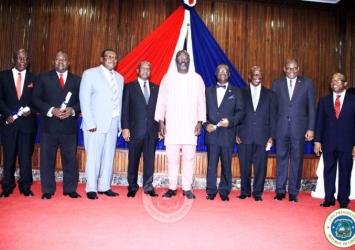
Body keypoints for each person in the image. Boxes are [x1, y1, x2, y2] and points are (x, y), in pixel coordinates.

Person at [155, 50, 206, 199]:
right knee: (172, 159)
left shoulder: (197, 79)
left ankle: (186, 187)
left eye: (186, 58)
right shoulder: (168, 78)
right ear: (176, 61)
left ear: (189, 60)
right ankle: (171, 187)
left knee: (189, 158)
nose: (183, 60)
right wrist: (161, 121)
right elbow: (161, 101)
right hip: (172, 125)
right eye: (180, 58)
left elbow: (201, 102)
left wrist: (200, 121)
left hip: (190, 126)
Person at [32, 51, 81, 200]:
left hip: (69, 127)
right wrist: (51, 110)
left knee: (70, 159)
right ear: (54, 62)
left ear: (69, 62)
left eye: (64, 59)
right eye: (58, 59)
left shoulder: (77, 80)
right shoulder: (43, 78)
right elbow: (35, 98)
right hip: (49, 127)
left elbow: (83, 101)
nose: (61, 62)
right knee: (47, 159)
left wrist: (73, 110)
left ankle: (70, 189)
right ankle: (48, 190)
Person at [79, 49, 124, 200]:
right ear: (101, 59)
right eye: (109, 56)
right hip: (95, 124)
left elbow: (120, 102)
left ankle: (104, 186)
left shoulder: (119, 78)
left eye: (114, 57)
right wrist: (89, 122)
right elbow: (84, 100)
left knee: (108, 156)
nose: (112, 59)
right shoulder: (89, 74)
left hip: (113, 123)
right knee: (93, 156)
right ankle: (91, 188)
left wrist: (120, 125)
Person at [271, 59, 315, 202]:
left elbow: (311, 108)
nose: (292, 71)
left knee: (297, 159)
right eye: (289, 68)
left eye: (294, 68)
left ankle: (294, 192)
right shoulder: (277, 84)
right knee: (281, 159)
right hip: (281, 128)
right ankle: (280, 191)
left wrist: (310, 128)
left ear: (298, 69)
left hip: (299, 129)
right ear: (284, 69)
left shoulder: (307, 83)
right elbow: (273, 109)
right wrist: (272, 131)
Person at [314, 73, 355, 209]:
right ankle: (329, 198)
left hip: (347, 144)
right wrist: (317, 141)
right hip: (329, 143)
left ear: (345, 83)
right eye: (333, 80)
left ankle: (343, 201)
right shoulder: (324, 100)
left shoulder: (353, 100)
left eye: (338, 80)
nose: (335, 82)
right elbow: (319, 122)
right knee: (328, 171)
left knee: (345, 172)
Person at [204, 64, 244, 201]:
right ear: (216, 74)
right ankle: (210, 191)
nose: (222, 73)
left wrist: (231, 122)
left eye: (225, 71)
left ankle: (224, 191)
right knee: (211, 165)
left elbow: (240, 113)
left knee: (227, 164)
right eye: (220, 71)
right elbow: (202, 112)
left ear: (229, 74)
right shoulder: (207, 91)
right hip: (212, 134)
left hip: (228, 134)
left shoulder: (237, 92)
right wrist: (205, 124)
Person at [236, 66, 276, 202]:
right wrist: (236, 133)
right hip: (244, 135)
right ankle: (245, 191)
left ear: (262, 76)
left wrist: (271, 136)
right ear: (249, 76)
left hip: (262, 136)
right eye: (254, 74)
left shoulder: (270, 94)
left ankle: (257, 193)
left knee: (261, 167)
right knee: (244, 166)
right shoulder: (241, 93)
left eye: (259, 74)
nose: (256, 76)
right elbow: (236, 114)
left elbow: (273, 117)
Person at [0, 49, 36, 197]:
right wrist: (7, 113)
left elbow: (38, 100)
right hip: (9, 123)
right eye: (19, 58)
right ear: (13, 60)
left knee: (25, 157)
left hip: (27, 124)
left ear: (28, 61)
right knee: (8, 156)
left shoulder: (34, 78)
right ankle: (7, 187)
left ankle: (25, 186)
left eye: (25, 59)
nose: (22, 61)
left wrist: (32, 109)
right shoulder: (2, 76)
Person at [121, 61, 159, 198]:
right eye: (143, 68)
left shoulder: (156, 88)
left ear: (150, 72)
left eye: (148, 69)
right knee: (133, 160)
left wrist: (161, 127)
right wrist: (125, 128)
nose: (145, 71)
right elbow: (124, 110)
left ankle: (148, 186)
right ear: (137, 70)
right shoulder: (129, 87)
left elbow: (160, 111)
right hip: (135, 130)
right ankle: (132, 186)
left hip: (151, 131)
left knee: (149, 160)